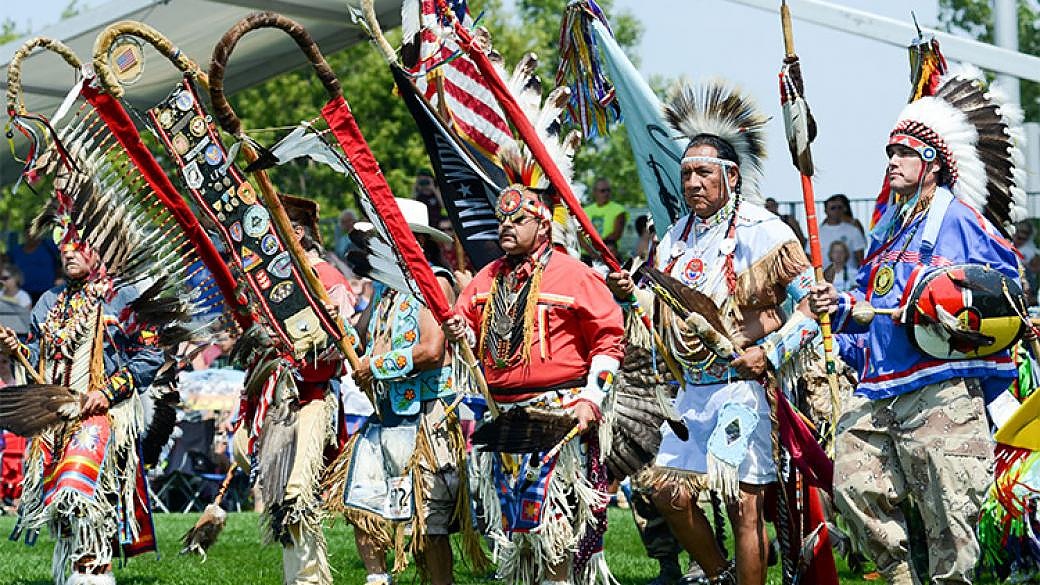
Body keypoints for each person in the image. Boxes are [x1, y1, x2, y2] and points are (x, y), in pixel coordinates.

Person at [808, 68, 1025, 585]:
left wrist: (928, 306)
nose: (892, 163)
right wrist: (837, 303)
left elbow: (1006, 287)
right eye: (889, 154)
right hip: (882, 387)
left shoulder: (961, 221)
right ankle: (900, 574)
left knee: (950, 516)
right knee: (853, 483)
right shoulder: (892, 226)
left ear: (931, 161)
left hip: (942, 387)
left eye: (902, 153)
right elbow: (868, 297)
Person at [607, 80, 820, 585]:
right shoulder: (674, 238)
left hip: (742, 390)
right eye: (686, 174)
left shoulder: (763, 230)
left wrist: (770, 352)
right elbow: (656, 312)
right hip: (690, 391)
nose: (693, 183)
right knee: (667, 494)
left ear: (731, 176)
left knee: (745, 506)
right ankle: (722, 574)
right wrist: (625, 292)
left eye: (704, 172)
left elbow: (813, 306)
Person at [442, 179, 625, 583]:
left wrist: (592, 399)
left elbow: (609, 341)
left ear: (543, 225)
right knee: (516, 535)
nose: (505, 227)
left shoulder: (574, 275)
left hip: (558, 416)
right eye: (501, 220)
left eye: (518, 219)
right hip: (503, 419)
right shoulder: (486, 279)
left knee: (554, 529)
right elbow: (470, 335)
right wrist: (462, 334)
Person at [324, 197, 486, 585]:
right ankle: (378, 580)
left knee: (430, 524)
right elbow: (361, 338)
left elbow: (431, 350)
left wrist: (374, 367)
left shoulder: (435, 281)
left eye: (381, 238)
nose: (373, 246)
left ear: (408, 239)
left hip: (428, 420)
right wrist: (336, 321)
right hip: (385, 418)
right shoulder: (384, 287)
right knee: (363, 507)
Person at [0, 239, 164, 585]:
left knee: (80, 492)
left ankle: (94, 574)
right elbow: (38, 363)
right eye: (64, 246)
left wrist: (108, 390)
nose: (68, 252)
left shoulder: (124, 298)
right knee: (61, 505)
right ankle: (75, 572)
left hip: (103, 413)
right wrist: (17, 350)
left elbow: (149, 356)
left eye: (79, 246)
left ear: (101, 249)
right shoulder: (50, 300)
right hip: (55, 416)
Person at [232, 194, 353, 585]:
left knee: (299, 498)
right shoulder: (267, 284)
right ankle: (297, 580)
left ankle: (311, 580)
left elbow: (345, 346)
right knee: (281, 502)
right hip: (275, 405)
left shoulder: (328, 280)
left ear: (295, 233)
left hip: (313, 401)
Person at [818, 194, 866, 273]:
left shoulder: (853, 229)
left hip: (850, 280)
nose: (837, 210)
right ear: (826, 211)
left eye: (840, 207)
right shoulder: (818, 232)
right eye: (833, 208)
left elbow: (860, 259)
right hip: (824, 279)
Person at [583, 178, 628, 260]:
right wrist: (592, 252)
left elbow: (616, 234)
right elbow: (579, 235)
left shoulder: (619, 209)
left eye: (608, 190)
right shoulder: (585, 211)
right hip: (587, 255)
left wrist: (598, 250)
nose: (606, 193)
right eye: (602, 191)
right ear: (595, 192)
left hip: (610, 253)